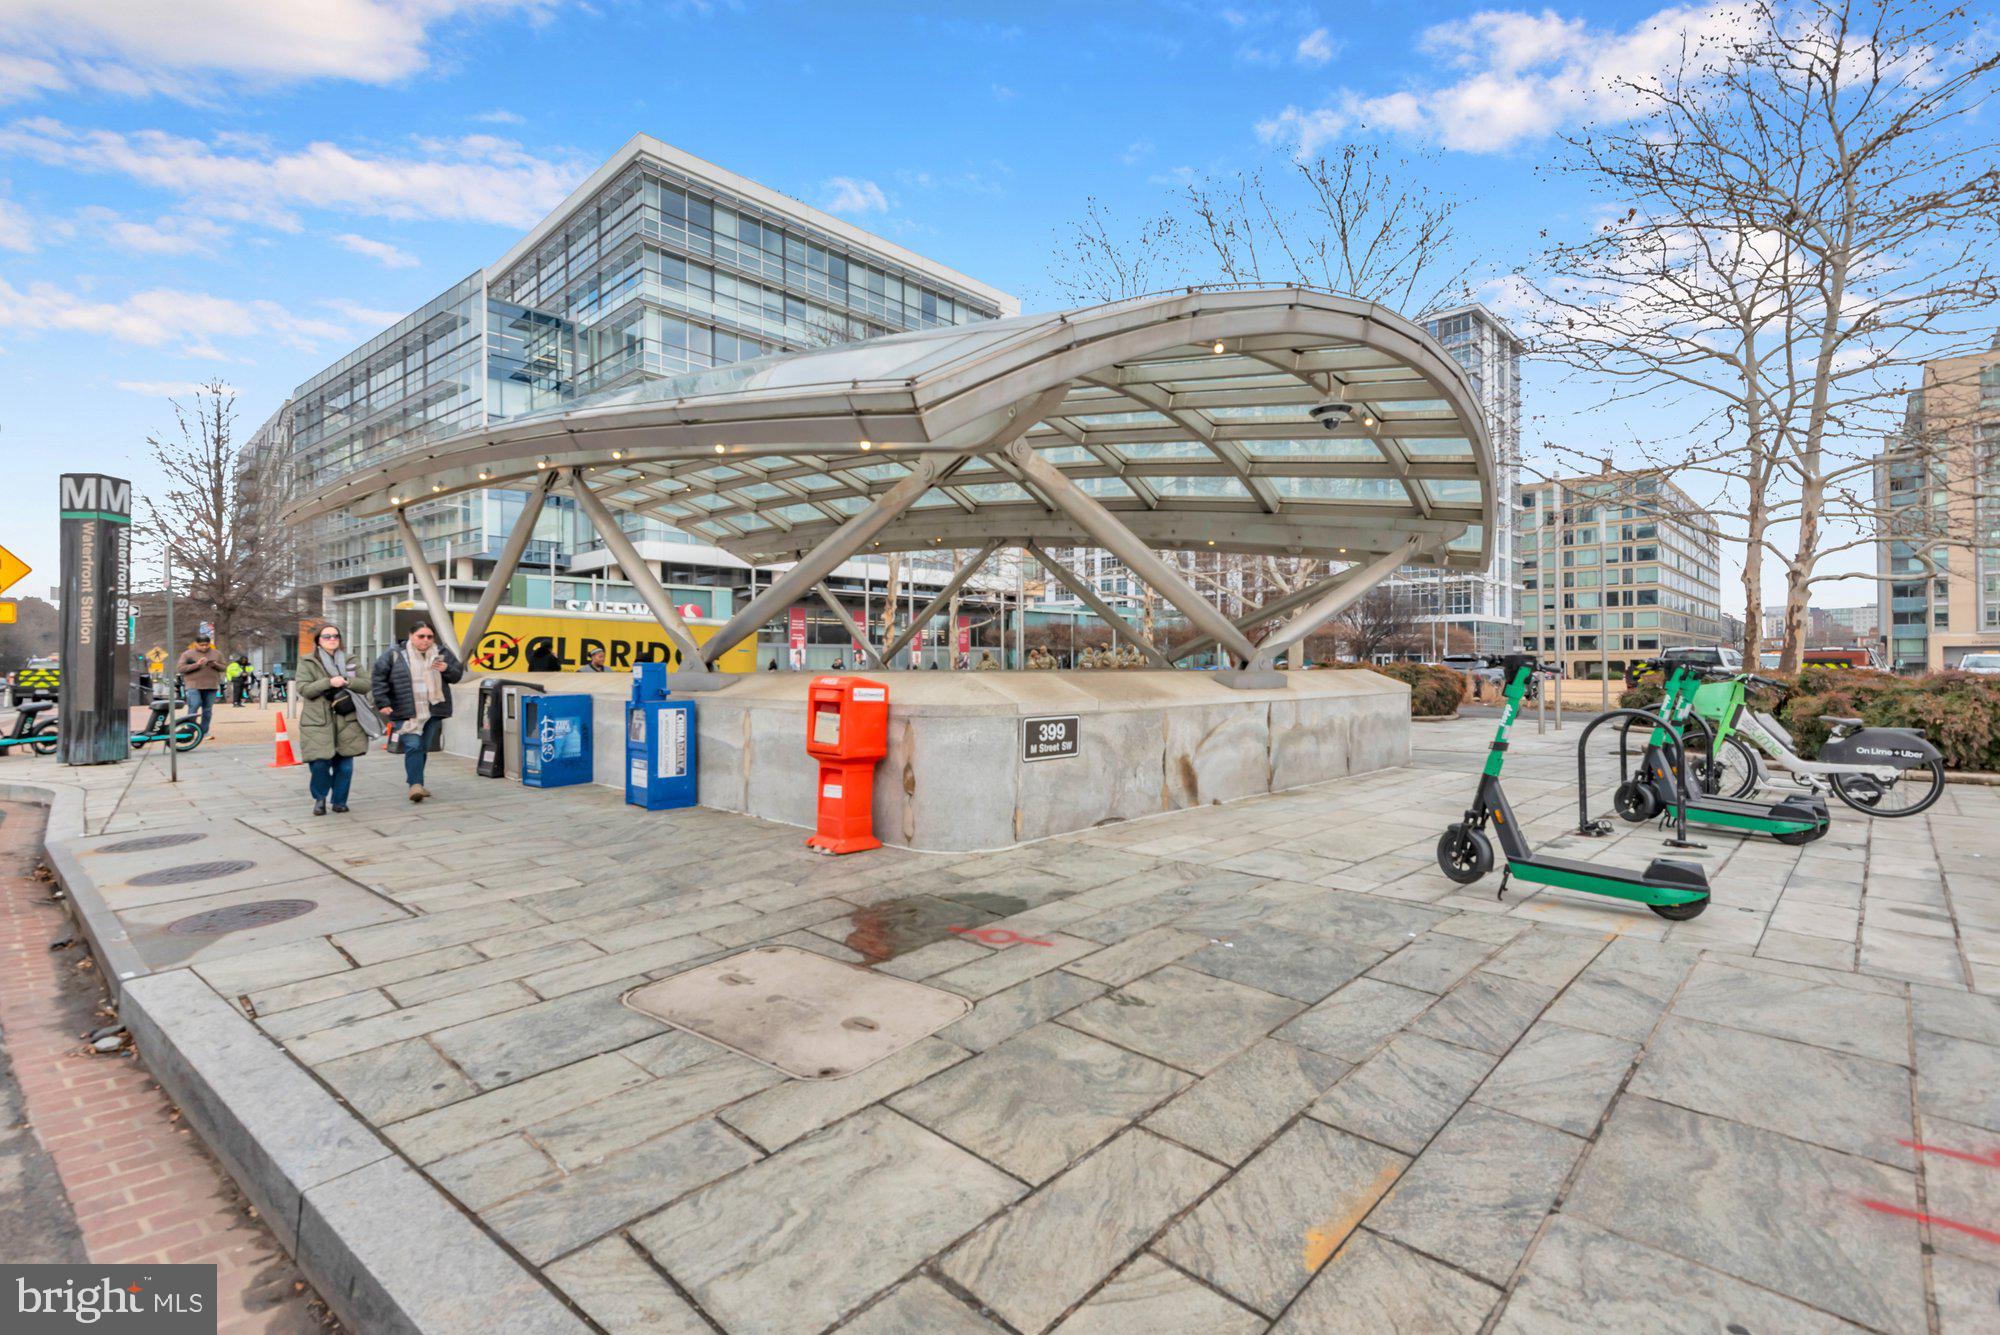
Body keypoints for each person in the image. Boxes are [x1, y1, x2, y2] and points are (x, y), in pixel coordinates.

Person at [372, 620, 464, 803]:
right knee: (413, 745)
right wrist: (382, 702)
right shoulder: (395, 654)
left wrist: (447, 670)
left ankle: (417, 782)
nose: (426, 640)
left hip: (434, 708)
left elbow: (457, 676)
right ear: (411, 636)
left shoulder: (442, 653)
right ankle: (415, 785)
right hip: (405, 709)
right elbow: (378, 679)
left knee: (422, 748)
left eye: (429, 637)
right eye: (421, 636)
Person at [296, 624, 376, 815]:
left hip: (346, 718)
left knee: (345, 766)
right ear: (318, 641)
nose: (332, 639)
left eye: (335, 636)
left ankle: (339, 801)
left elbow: (366, 685)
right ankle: (320, 797)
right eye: (327, 636)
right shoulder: (307, 661)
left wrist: (347, 681)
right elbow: (304, 689)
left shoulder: (350, 660)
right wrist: (328, 682)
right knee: (319, 763)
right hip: (317, 720)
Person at [175, 629, 226, 736]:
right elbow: (181, 668)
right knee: (194, 704)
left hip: (211, 685)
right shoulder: (187, 654)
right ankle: (190, 728)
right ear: (196, 644)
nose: (204, 647)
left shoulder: (217, 653)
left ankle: (204, 731)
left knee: (207, 709)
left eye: (206, 645)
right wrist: (197, 665)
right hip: (193, 685)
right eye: (201, 645)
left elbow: (224, 667)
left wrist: (214, 665)